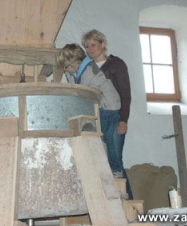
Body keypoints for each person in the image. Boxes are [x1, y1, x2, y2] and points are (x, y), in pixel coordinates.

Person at [57, 43, 122, 181]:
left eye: (67, 67)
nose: (67, 70)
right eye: (64, 68)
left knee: (106, 139)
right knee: (103, 139)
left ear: (76, 62)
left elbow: (85, 94)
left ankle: (115, 171)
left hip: (108, 107)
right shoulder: (76, 72)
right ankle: (110, 170)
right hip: (101, 105)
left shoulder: (88, 71)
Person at [82, 29, 133, 199]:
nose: (90, 49)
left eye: (93, 44)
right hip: (98, 116)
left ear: (102, 44)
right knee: (104, 161)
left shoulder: (117, 65)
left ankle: (129, 203)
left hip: (115, 115)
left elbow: (125, 93)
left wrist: (123, 119)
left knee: (116, 161)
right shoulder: (88, 69)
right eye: (87, 46)